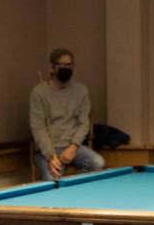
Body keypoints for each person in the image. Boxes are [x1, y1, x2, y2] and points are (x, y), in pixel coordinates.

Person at [29, 48, 104, 180]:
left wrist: (73, 147)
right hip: (49, 149)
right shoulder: (38, 93)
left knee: (98, 163)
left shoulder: (81, 91)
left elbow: (84, 123)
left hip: (73, 147)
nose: (66, 68)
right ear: (52, 67)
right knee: (53, 180)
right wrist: (51, 156)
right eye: (62, 65)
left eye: (69, 65)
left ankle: (76, 192)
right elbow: (38, 128)